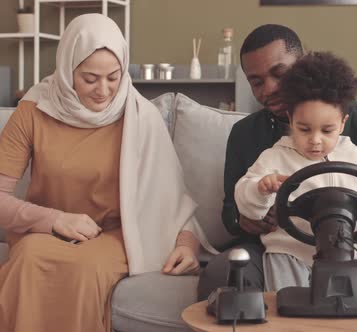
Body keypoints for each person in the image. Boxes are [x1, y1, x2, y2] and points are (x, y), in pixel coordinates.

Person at [0, 14, 212, 332]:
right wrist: (54, 219)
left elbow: (171, 199)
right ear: (66, 69)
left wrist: (187, 244)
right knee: (28, 257)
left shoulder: (142, 117)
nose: (104, 90)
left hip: (117, 237)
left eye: (114, 77)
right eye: (89, 78)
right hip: (47, 233)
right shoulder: (33, 110)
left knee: (85, 269)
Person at [197, 24, 357, 302]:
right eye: (256, 82)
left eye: (279, 73)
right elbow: (231, 210)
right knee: (222, 274)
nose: (268, 89)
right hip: (279, 251)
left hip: (352, 248)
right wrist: (246, 219)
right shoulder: (246, 134)